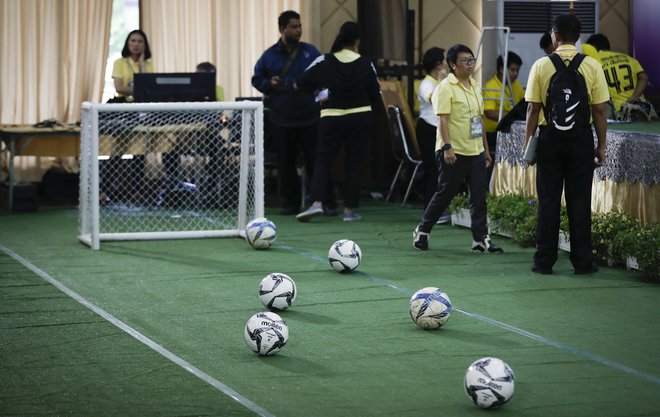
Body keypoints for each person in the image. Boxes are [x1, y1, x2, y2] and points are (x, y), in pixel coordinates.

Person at [524, 14, 609, 275]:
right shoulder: (592, 66)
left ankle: (544, 262)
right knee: (579, 201)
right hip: (581, 140)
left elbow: (532, 108)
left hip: (549, 140)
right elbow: (599, 110)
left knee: (548, 201)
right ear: (578, 37)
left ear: (555, 36)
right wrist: (601, 146)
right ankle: (583, 262)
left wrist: (530, 145)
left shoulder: (541, 65)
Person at [412, 44, 503, 253]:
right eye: (465, 60)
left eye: (471, 60)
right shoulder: (445, 87)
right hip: (453, 150)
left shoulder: (475, 86)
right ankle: (423, 230)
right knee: (446, 192)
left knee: (479, 195)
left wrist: (486, 150)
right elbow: (442, 120)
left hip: (476, 150)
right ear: (452, 65)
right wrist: (447, 147)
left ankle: (481, 239)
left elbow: (478, 121)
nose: (470, 64)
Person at [295, 21, 381, 222]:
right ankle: (349, 211)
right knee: (354, 163)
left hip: (331, 117)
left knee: (323, 161)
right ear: (357, 41)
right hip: (360, 116)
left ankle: (316, 203)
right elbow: (376, 93)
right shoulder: (366, 63)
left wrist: (319, 94)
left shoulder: (324, 60)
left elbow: (301, 83)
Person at [251, 11, 334, 215]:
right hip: (282, 118)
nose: (298, 30)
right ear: (282, 29)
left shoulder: (311, 52)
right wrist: (268, 83)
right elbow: (256, 79)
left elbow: (325, 75)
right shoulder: (269, 56)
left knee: (316, 161)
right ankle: (290, 203)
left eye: (300, 26)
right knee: (285, 164)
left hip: (309, 117)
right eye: (294, 27)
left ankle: (325, 202)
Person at [416, 47, 450, 223]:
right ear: (438, 64)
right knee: (432, 170)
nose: (447, 63)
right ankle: (430, 212)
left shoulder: (440, 81)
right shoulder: (426, 84)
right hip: (428, 129)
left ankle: (438, 210)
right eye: (444, 60)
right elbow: (436, 100)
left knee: (441, 171)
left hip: (438, 130)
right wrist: (442, 81)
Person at [483, 51, 524, 183]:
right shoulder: (491, 86)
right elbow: (489, 112)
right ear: (501, 69)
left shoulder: (516, 86)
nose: (515, 74)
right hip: (493, 133)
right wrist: (510, 117)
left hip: (510, 132)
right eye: (512, 70)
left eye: (517, 70)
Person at [582, 33, 649, 115]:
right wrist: (635, 96)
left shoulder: (593, 61)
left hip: (616, 112)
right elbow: (643, 77)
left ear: (593, 47)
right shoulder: (629, 58)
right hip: (639, 108)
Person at [111, 29, 153, 100]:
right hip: (123, 102)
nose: (136, 44)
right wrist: (141, 90)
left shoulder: (148, 64)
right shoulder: (119, 62)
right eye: (133, 41)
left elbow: (148, 87)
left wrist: (142, 64)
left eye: (140, 42)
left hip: (142, 103)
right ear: (128, 43)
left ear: (144, 45)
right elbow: (119, 88)